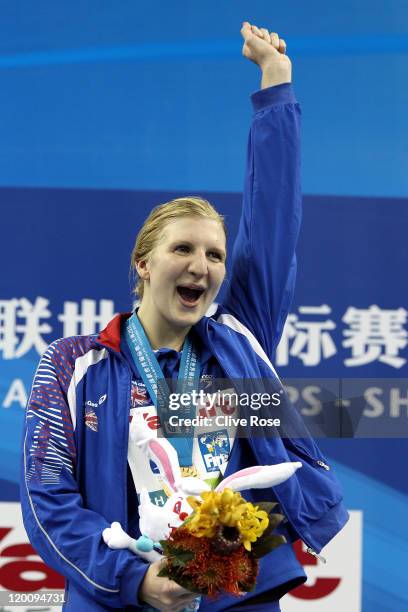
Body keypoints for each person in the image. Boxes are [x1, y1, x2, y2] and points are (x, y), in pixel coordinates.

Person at [21, 22, 348, 611]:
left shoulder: (239, 339)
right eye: (183, 250)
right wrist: (134, 581)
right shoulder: (73, 364)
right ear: (143, 264)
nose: (201, 265)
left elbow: (273, 221)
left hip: (236, 597)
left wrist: (276, 86)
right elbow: (48, 500)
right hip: (118, 596)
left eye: (215, 255)